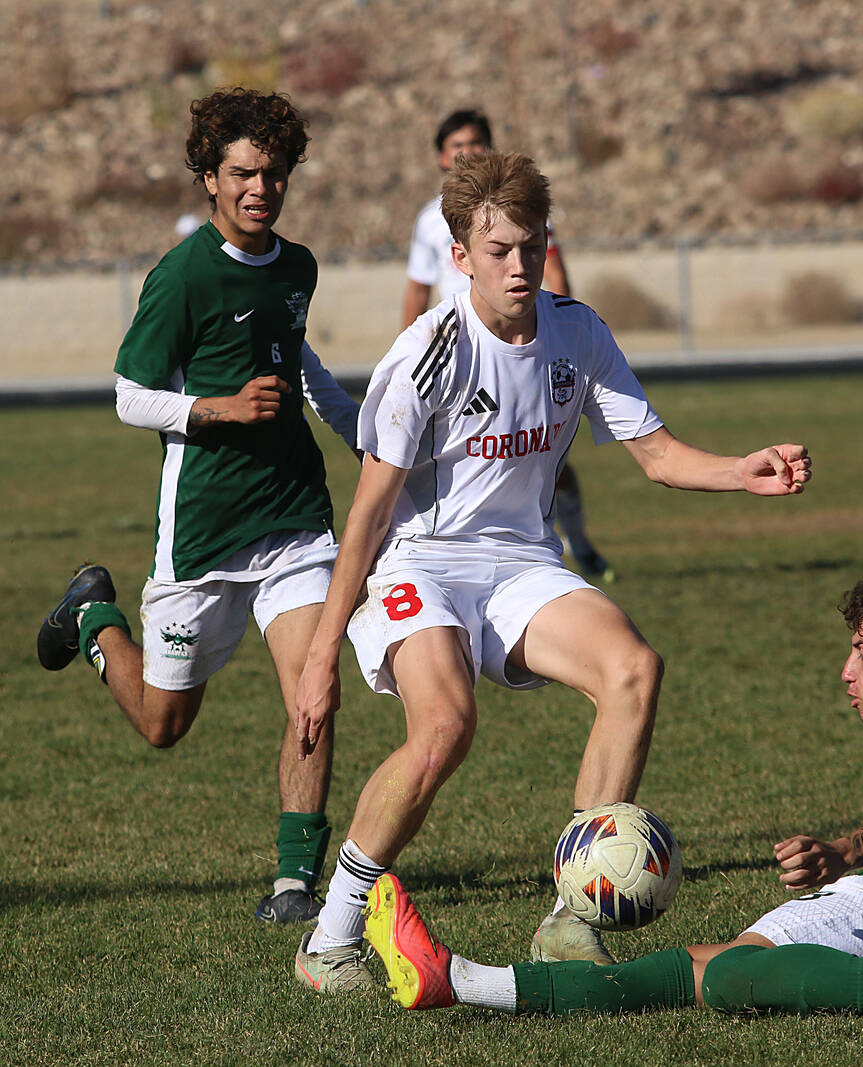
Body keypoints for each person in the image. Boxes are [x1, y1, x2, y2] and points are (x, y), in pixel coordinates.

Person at [291, 150, 812, 993]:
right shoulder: (427, 353)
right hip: (422, 559)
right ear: (460, 256)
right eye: (499, 250)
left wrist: (740, 469)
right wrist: (321, 658)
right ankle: (331, 933)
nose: (519, 265)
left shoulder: (578, 332)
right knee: (445, 726)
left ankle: (571, 918)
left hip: (523, 561)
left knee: (633, 668)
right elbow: (369, 514)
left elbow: (657, 454)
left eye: (531, 246)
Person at [356, 565, 863, 1021]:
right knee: (689, 970)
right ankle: (456, 979)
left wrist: (845, 852)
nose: (847, 670)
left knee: (726, 979)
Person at [35, 88, 360, 924]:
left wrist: (364, 436)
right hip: (205, 530)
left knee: (313, 691)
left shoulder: (298, 266)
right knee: (163, 724)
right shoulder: (181, 276)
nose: (260, 189)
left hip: (294, 517)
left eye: (274, 173)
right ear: (210, 178)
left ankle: (294, 884)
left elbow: (299, 360)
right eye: (243, 173)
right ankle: (93, 617)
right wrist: (219, 409)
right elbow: (129, 395)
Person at [403, 108, 613, 582]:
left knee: (541, 459)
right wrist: (410, 350)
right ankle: (441, 556)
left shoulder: (519, 212)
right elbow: (417, 288)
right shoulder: (429, 222)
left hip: (520, 345)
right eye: (457, 146)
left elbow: (554, 271)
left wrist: (560, 331)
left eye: (476, 143)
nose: (468, 153)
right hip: (460, 360)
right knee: (458, 460)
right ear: (442, 157)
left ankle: (573, 546)